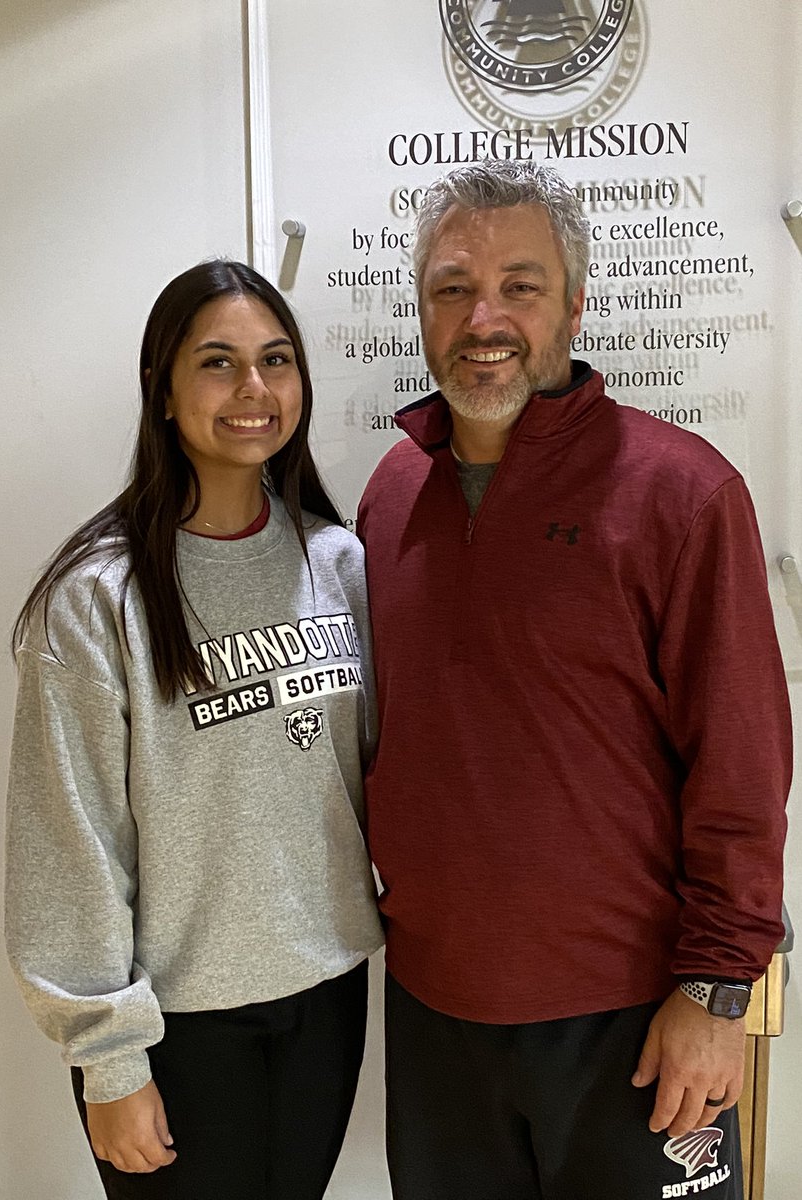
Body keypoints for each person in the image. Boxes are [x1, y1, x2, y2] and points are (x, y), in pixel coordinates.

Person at [357, 160, 790, 1200]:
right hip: (437, 1019)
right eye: (453, 288)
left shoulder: (682, 495)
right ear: (422, 310)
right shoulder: (391, 492)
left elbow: (741, 771)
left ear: (577, 303)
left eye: (522, 283)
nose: (485, 316)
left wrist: (717, 993)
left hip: (633, 1023)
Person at [5, 260, 383, 1200]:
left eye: (276, 360)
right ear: (162, 392)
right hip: (176, 1024)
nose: (254, 390)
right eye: (218, 362)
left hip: (327, 996)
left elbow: (379, 773)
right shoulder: (98, 598)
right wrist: (109, 1061)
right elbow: (71, 847)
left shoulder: (338, 563)